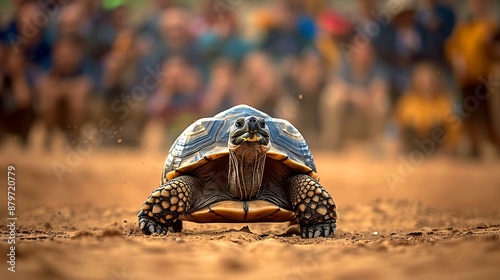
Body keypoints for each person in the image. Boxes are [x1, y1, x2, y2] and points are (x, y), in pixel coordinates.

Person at [445, 0, 500, 157]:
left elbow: (495, 51)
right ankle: (473, 146)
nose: (478, 6)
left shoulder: (491, 26)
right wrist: (457, 60)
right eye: (475, 3)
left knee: (488, 115)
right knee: (468, 114)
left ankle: (494, 144)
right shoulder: (464, 27)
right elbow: (452, 47)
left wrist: (490, 43)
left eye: (481, 3)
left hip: (485, 79)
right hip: (466, 79)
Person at [320, 40, 389, 152]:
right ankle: (332, 141)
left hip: (366, 114)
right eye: (358, 53)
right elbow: (335, 84)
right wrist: (355, 96)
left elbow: (380, 88)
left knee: (382, 103)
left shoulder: (377, 67)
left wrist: (366, 97)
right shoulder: (344, 65)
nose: (361, 57)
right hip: (347, 114)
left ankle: (376, 144)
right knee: (330, 97)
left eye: (365, 53)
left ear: (370, 55)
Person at [37, 33, 92, 149]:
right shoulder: (49, 65)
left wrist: (58, 88)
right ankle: (49, 137)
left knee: (77, 102)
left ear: (76, 54)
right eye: (61, 55)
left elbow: (85, 88)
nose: (65, 59)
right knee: (48, 101)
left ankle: (75, 138)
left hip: (79, 114)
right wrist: (68, 88)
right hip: (57, 112)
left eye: (68, 55)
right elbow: (42, 87)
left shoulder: (85, 66)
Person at [394, 63, 459, 154]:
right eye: (422, 82)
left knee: (435, 122)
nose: (426, 86)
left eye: (429, 82)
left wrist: (450, 147)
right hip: (412, 148)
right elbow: (396, 125)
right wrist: (395, 144)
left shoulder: (444, 102)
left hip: (437, 149)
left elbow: (453, 129)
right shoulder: (407, 101)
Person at [0, 44, 35, 147]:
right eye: (13, 57)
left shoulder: (30, 74)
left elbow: (24, 102)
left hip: (22, 121)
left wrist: (17, 77)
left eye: (19, 57)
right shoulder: (3, 75)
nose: (16, 61)